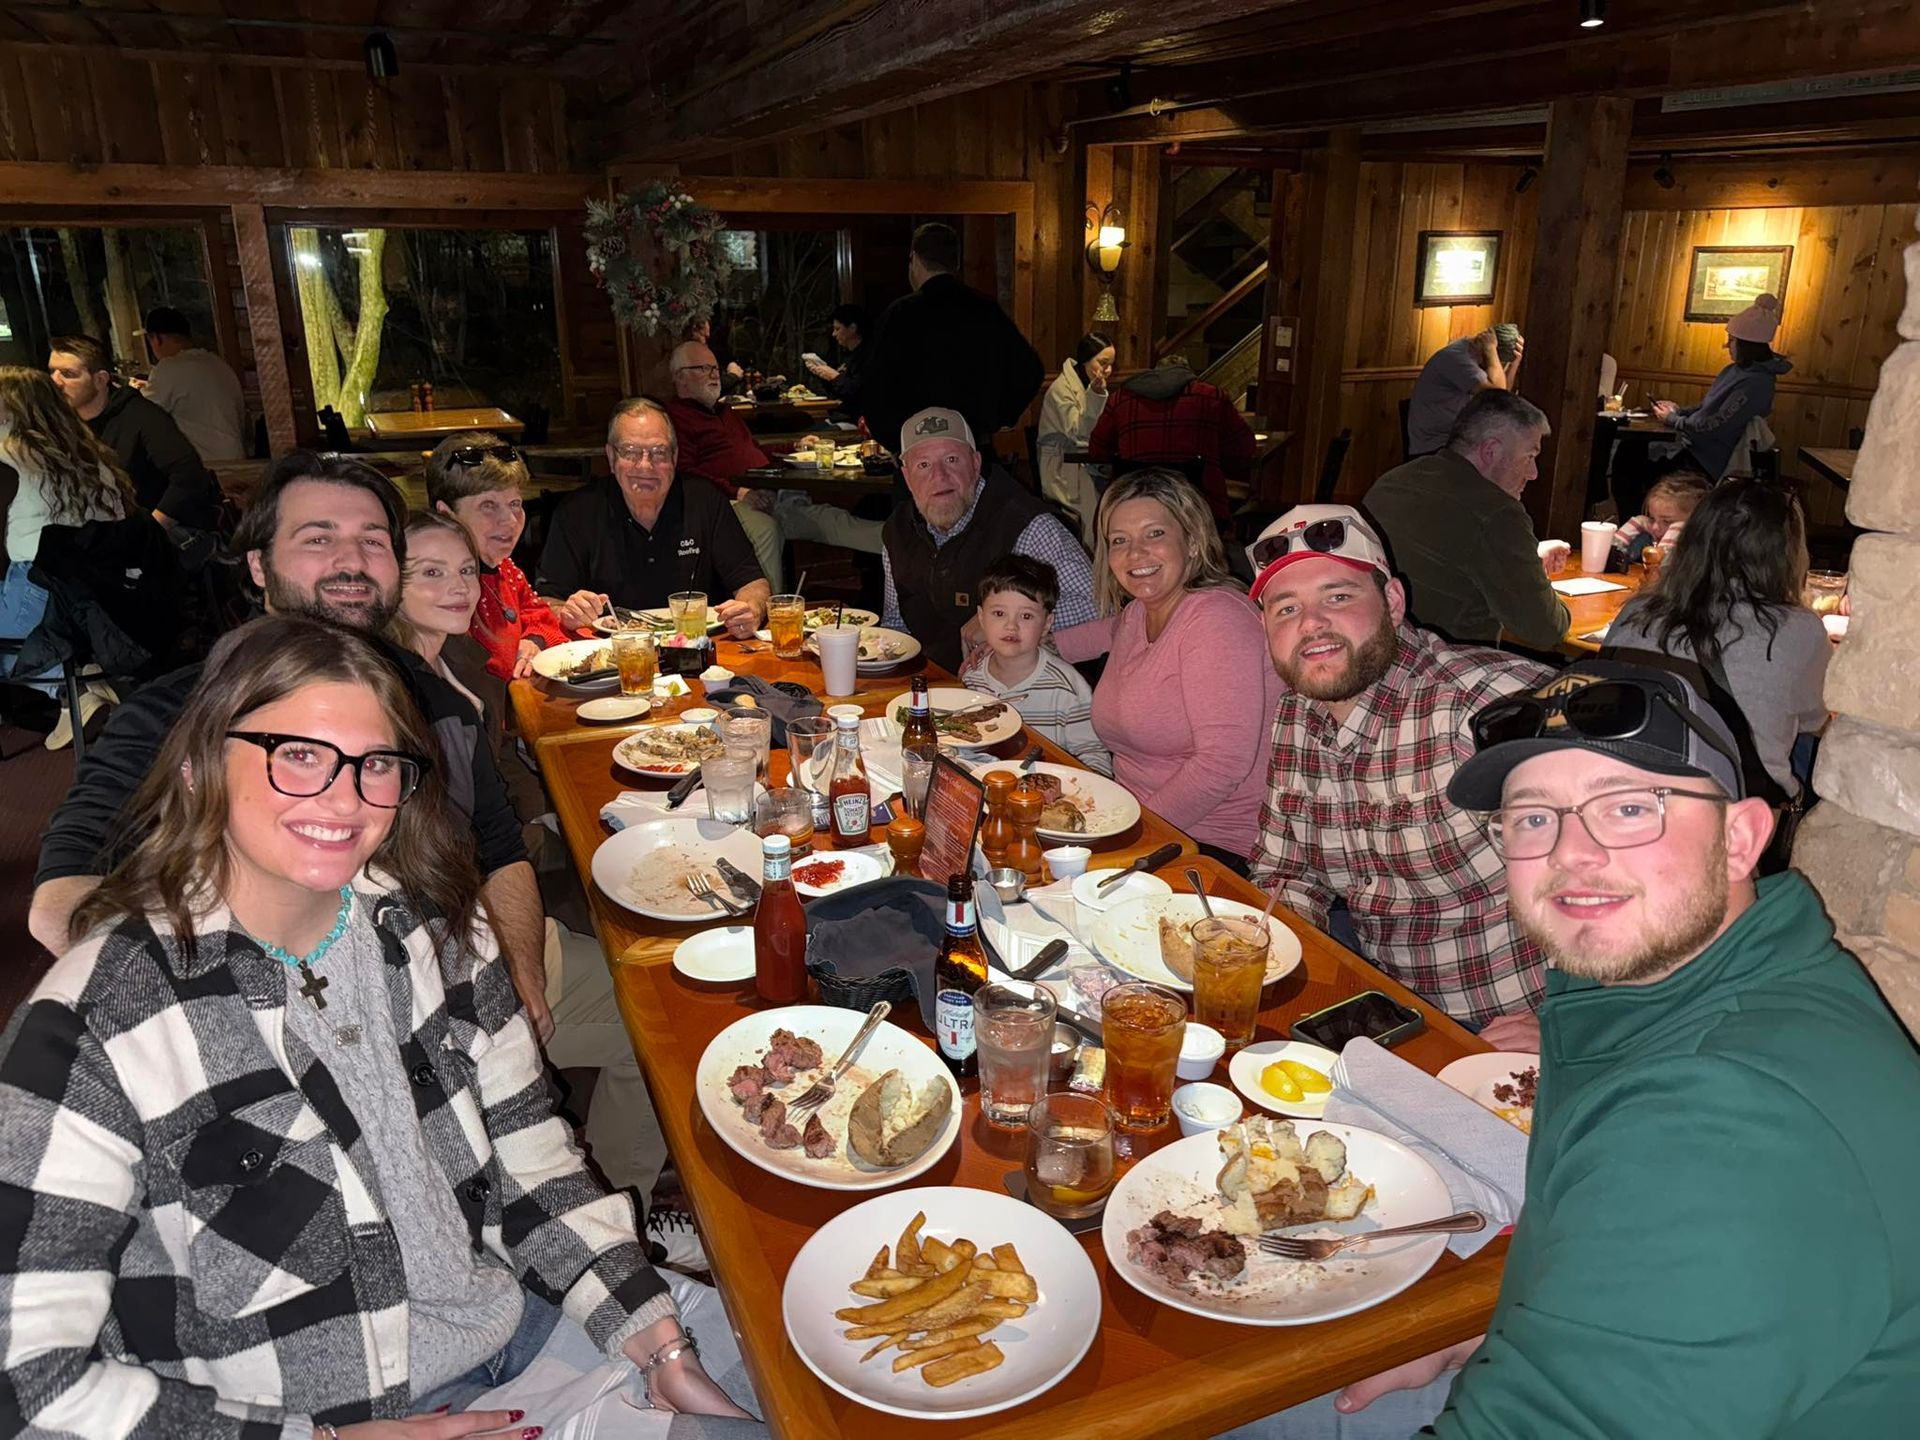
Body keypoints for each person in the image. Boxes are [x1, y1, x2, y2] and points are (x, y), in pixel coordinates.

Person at [0, 616, 758, 1434]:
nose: (343, 797)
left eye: (376, 765)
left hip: (521, 1322)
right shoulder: (94, 1024)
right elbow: (28, 1385)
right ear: (196, 768)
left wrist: (652, 1338)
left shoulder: (437, 931)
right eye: (296, 754)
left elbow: (530, 1153)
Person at [29, 452, 547, 1042]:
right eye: (317, 539)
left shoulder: (438, 701)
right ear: (257, 565)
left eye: (373, 541)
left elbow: (500, 853)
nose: (351, 560)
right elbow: (63, 899)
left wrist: (522, 974)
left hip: (458, 975)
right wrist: (235, 1026)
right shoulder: (174, 711)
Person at [393, 511, 673, 1213]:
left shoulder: (448, 681)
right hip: (441, 977)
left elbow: (496, 842)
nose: (457, 586)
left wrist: (521, 959)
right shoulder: (391, 696)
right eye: (430, 572)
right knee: (663, 1035)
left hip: (494, 933)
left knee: (649, 987)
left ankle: (615, 1201)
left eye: (463, 571)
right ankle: (611, 1217)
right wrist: (506, 979)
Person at [1243, 504, 1547, 1033]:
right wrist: (1261, 951)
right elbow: (1287, 871)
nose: (1312, 624)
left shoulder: (1483, 708)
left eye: (1338, 597)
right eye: (1286, 609)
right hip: (1386, 1011)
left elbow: (1650, 883)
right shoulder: (1298, 710)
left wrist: (1568, 1022)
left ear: (1393, 601)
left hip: (1516, 1029)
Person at [1051, 467, 1283, 870]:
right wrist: (1027, 641)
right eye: (1119, 540)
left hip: (1209, 846)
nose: (1135, 553)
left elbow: (1221, 765)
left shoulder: (1217, 619)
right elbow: (1106, 631)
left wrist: (1128, 835)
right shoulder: (1141, 612)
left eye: (1154, 534)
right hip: (1139, 820)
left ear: (1192, 541)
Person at [1606, 479, 1830, 798]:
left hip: (1634, 776)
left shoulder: (1637, 609)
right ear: (1787, 554)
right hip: (1732, 798)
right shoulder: (1800, 629)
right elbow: (1816, 718)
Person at [881, 406, 1095, 673]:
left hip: (1020, 697)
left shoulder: (1027, 525)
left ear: (975, 464)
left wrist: (1002, 622)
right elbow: (895, 623)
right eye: (924, 465)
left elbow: (1094, 609)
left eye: (951, 460)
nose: (939, 477)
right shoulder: (897, 531)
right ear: (907, 477)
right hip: (934, 688)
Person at [536, 396, 768, 639]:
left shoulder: (705, 499)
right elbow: (546, 601)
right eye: (630, 452)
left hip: (699, 649)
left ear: (675, 457)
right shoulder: (576, 512)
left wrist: (751, 609)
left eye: (659, 452)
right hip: (612, 657)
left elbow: (753, 583)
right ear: (611, 458)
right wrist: (566, 612)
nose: (645, 466)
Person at [664, 342, 882, 593]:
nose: (714, 374)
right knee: (766, 530)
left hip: (769, 494)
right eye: (703, 368)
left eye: (715, 368)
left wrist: (794, 447)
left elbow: (754, 451)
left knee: (831, 519)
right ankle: (769, 618)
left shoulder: (726, 412)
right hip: (724, 505)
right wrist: (738, 493)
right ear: (679, 376)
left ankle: (904, 544)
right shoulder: (674, 418)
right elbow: (685, 472)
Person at [1364, 388, 1570, 652]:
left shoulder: (1394, 481)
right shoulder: (1497, 514)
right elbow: (1545, 629)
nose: (1533, 474)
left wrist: (1527, 558)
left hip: (1378, 652)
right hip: (1447, 671)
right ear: (1491, 451)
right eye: (1529, 457)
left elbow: (1449, 557)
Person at [0, 364, 134, 738]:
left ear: (9, 411)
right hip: (106, 595)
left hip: (39, 587)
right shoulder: (91, 455)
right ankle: (77, 685)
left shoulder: (6, 457)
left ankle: (68, 686)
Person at [859, 221, 1045, 450]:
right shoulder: (985, 310)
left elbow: (873, 386)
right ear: (955, 262)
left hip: (918, 450)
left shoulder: (901, 314)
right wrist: (997, 418)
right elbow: (1029, 372)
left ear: (914, 259)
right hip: (974, 445)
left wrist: (895, 442)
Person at [424, 431, 570, 680]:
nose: (510, 521)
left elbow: (538, 615)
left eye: (515, 504)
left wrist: (533, 642)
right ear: (446, 515)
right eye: (488, 506)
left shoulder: (504, 569)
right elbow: (482, 674)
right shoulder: (437, 590)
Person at [48, 333, 220, 532]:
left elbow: (189, 476)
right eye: (52, 372)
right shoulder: (61, 423)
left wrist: (150, 531)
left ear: (100, 379)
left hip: (154, 537)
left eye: (68, 374)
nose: (56, 382)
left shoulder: (142, 415)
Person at [959, 553, 1111, 774]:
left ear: (1047, 623)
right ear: (981, 618)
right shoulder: (972, 678)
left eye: (1026, 616)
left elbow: (1094, 755)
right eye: (999, 613)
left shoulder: (1067, 688)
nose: (1011, 626)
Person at [1085, 352, 1254, 526]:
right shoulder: (1212, 396)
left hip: (1132, 504)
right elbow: (1245, 447)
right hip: (1199, 508)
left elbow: (1097, 450)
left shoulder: (1120, 399)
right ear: (1188, 374)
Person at [1649, 292, 1792, 481]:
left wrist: (1673, 420)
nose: (1727, 345)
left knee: (1634, 463)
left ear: (1747, 344)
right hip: (1697, 447)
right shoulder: (1734, 370)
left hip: (1711, 459)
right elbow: (1706, 407)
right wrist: (1679, 411)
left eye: (1732, 340)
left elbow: (1715, 425)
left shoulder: (1757, 383)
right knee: (1632, 453)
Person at [139, 304, 248, 464]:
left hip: (208, 466)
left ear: (157, 339)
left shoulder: (170, 367)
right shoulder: (218, 363)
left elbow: (143, 413)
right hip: (239, 459)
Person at [1036, 330, 1115, 546]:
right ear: (1086, 360)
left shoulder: (1088, 385)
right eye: (1103, 363)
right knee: (1096, 512)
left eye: (1110, 364)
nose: (1107, 370)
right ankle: (1091, 563)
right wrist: (1096, 396)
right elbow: (1078, 430)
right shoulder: (1061, 390)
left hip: (1081, 459)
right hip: (1062, 465)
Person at [1406, 323, 1524, 458]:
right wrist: (1491, 351)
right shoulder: (1458, 359)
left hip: (1456, 439)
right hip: (1435, 446)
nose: (1496, 366)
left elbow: (1500, 397)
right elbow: (1496, 394)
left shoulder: (1474, 357)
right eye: (1497, 361)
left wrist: (1514, 362)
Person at [1610, 468, 1710, 567]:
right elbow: (1610, 559)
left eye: (1667, 522)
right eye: (1652, 518)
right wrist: (1636, 524)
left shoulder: (1701, 552)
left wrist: (1675, 532)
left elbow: (1662, 573)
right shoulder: (1650, 537)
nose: (1654, 527)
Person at [804, 301, 871, 422]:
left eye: (837, 329)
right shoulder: (849, 356)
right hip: (839, 417)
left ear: (852, 328)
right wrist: (822, 374)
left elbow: (860, 392)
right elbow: (838, 392)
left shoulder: (868, 356)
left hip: (858, 421)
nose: (834, 334)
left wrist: (834, 376)